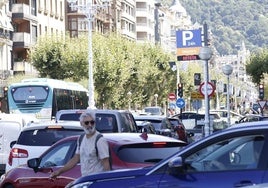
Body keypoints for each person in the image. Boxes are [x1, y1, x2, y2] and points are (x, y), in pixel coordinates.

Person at [50, 111, 110, 178]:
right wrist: (59, 172)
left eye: (92, 122)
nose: (90, 125)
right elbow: (76, 158)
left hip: (96, 181)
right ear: (81, 124)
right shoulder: (81, 139)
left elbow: (105, 163)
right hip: (86, 179)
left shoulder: (100, 140)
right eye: (86, 123)